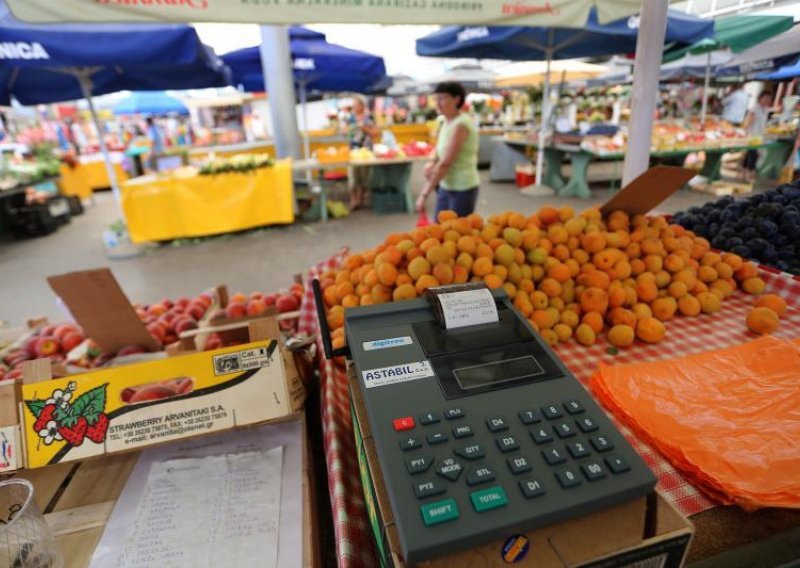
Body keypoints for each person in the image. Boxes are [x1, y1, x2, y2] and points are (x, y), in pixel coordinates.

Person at [416, 81, 479, 218]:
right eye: (436, 99)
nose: (438, 103)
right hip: (445, 185)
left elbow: (445, 163)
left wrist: (424, 194)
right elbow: (439, 148)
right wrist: (432, 161)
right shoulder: (443, 121)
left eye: (443, 98)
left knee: (456, 233)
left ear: (457, 99)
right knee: (439, 230)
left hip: (463, 187)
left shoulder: (461, 124)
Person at [345, 95, 378, 210]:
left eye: (356, 105)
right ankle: (353, 200)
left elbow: (375, 133)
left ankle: (360, 200)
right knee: (352, 178)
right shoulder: (350, 118)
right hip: (353, 151)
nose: (354, 107)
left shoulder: (369, 117)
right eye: (353, 105)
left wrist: (364, 128)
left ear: (362, 106)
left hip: (366, 152)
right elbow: (345, 131)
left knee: (363, 177)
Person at [742, 91, 772, 183]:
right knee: (753, 154)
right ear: (760, 98)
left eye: (768, 99)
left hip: (760, 135)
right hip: (752, 134)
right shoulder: (755, 107)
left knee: (750, 154)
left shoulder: (766, 109)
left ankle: (744, 171)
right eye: (765, 98)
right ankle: (749, 173)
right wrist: (745, 132)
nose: (766, 100)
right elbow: (749, 120)